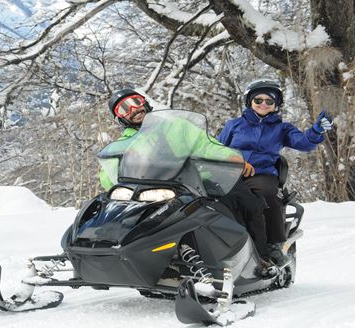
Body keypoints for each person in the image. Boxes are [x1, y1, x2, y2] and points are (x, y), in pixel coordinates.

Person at [100, 89, 271, 267]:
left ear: (144, 102)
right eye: (124, 109)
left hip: (196, 181)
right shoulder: (123, 144)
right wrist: (118, 174)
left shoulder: (176, 126)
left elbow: (206, 145)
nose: (133, 109)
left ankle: (262, 256)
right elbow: (108, 174)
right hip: (154, 190)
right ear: (120, 118)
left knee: (246, 200)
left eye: (135, 102)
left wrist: (232, 157)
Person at [217, 79, 334, 266]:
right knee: (212, 196)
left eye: (269, 101)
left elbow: (303, 142)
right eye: (258, 100)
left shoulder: (281, 128)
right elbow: (217, 147)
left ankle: (272, 244)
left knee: (266, 195)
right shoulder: (235, 125)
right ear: (249, 102)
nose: (263, 104)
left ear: (276, 105)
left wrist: (315, 131)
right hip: (231, 172)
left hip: (261, 174)